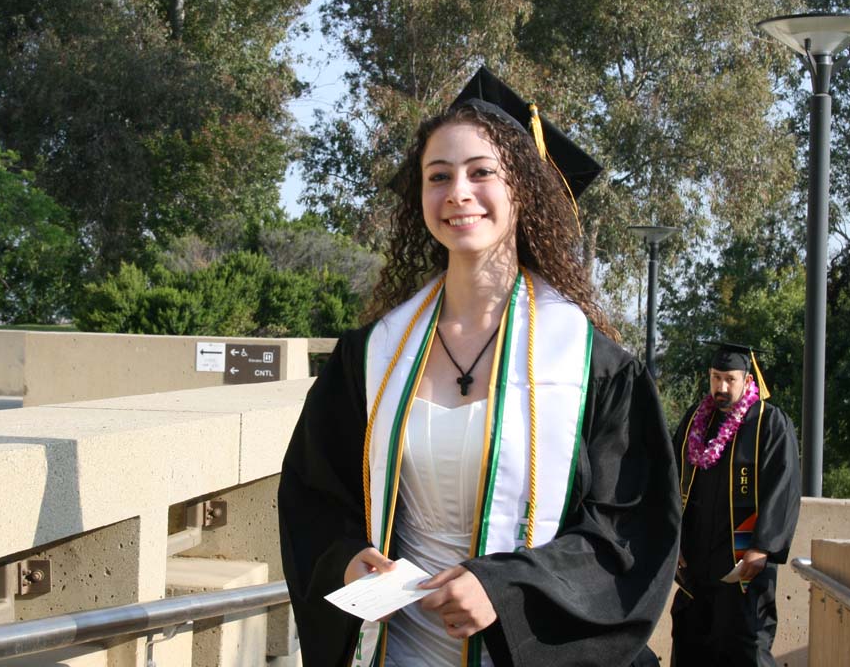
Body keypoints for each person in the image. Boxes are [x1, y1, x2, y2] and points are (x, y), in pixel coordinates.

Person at [278, 66, 681, 667]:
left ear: (523, 189)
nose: (458, 193)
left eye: (482, 172)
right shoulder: (371, 356)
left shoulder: (594, 366)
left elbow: (627, 538)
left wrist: (505, 588)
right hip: (397, 652)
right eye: (438, 177)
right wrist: (345, 556)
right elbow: (313, 494)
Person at [670, 342, 801, 666]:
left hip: (744, 564)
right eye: (716, 378)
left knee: (746, 647)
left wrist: (762, 546)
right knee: (692, 644)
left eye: (730, 379)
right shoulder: (694, 423)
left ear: (747, 379)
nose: (721, 387)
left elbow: (782, 487)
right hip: (697, 563)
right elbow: (671, 481)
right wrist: (673, 544)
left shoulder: (768, 424)